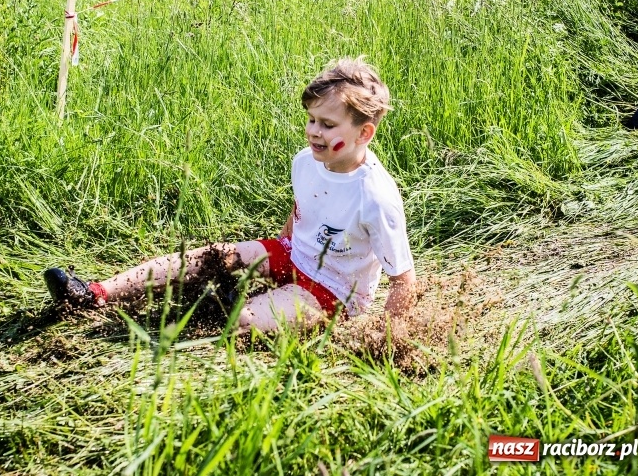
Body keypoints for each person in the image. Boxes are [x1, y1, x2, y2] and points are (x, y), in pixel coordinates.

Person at [44, 57, 417, 332]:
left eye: (328, 124)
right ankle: (94, 293)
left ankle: (222, 314)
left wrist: (383, 338)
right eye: (311, 119)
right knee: (210, 257)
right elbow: (303, 209)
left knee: (242, 320)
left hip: (334, 293)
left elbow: (403, 280)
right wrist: (275, 256)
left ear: (364, 133)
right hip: (292, 256)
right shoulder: (306, 161)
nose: (314, 131)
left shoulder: (375, 197)